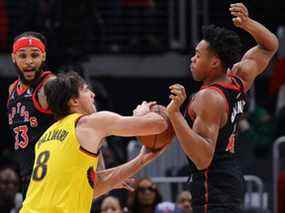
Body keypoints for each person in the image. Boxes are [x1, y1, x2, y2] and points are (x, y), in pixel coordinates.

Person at [166, 3, 278, 213]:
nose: (192, 58)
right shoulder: (239, 79)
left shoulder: (209, 97)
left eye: (198, 55)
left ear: (215, 62)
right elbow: (270, 46)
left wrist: (174, 115)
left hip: (214, 185)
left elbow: (202, 159)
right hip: (229, 178)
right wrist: (248, 24)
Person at [20, 71, 169, 212]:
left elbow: (94, 187)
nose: (93, 94)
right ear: (74, 100)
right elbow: (159, 124)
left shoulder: (46, 137)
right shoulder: (89, 123)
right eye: (86, 90)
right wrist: (141, 114)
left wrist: (141, 160)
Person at [6, 31, 55, 198]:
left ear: (43, 56)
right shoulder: (12, 89)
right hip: (28, 176)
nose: (29, 62)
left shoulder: (50, 85)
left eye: (35, 55)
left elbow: (81, 119)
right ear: (13, 57)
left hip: (52, 175)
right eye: (22, 56)